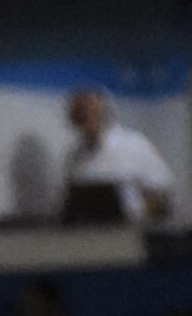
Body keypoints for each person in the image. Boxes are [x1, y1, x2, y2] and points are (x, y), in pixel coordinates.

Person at [62, 88, 175, 220]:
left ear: (103, 113)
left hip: (129, 231)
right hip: (86, 233)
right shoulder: (74, 155)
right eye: (77, 116)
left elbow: (161, 192)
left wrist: (141, 221)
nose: (82, 120)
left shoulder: (133, 144)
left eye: (87, 113)